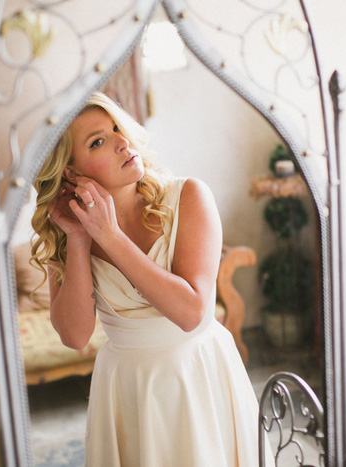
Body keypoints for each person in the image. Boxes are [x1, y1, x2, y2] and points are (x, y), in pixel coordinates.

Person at [30, 92, 267, 466]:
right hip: (127, 388)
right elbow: (74, 336)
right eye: (98, 141)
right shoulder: (68, 237)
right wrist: (79, 239)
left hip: (198, 376)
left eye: (116, 128)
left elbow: (191, 312)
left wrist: (110, 238)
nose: (123, 142)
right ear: (72, 174)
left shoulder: (189, 197)